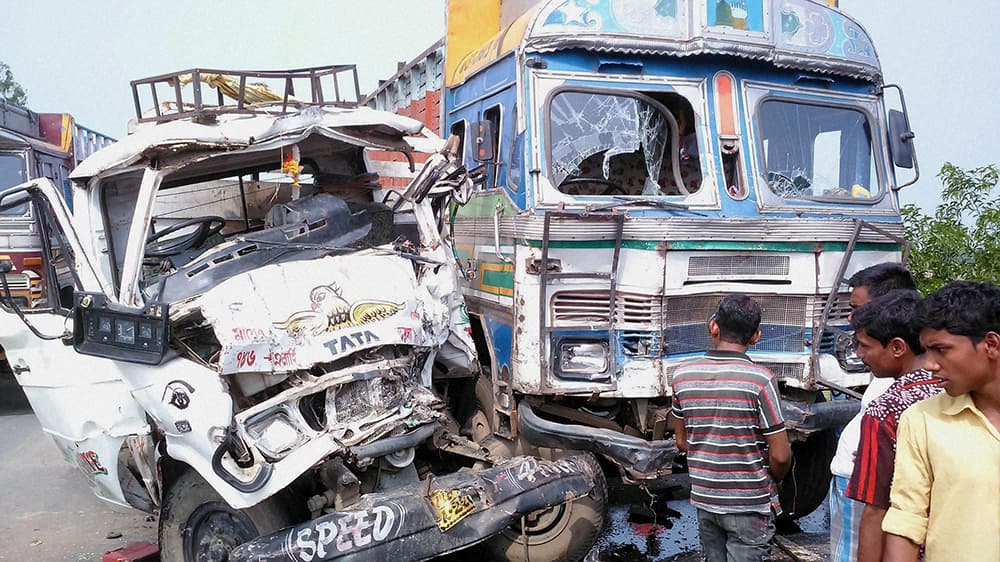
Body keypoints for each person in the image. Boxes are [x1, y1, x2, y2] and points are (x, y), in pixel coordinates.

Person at [882, 281, 1000, 562]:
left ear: (991, 345)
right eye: (927, 351)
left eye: (941, 350)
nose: (930, 364)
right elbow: (906, 520)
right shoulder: (922, 420)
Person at [671, 294, 791, 562]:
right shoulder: (761, 380)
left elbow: (682, 441)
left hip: (705, 500)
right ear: (756, 336)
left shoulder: (681, 376)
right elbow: (781, 456)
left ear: (713, 327)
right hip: (749, 503)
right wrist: (775, 477)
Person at [843, 290, 942, 562]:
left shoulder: (885, 410)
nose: (860, 354)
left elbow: (876, 511)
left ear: (897, 347)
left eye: (865, 345)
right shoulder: (957, 394)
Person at [828, 262, 917, 562]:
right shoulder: (892, 377)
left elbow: (876, 510)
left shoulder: (895, 400)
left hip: (863, 493)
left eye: (858, 308)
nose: (853, 317)